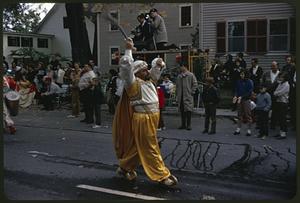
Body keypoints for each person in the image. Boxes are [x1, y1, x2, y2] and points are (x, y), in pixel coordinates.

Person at [112, 38, 178, 186]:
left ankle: (124, 167)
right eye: (143, 70)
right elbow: (126, 67)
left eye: (146, 68)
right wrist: (128, 49)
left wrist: (159, 64)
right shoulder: (132, 83)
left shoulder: (150, 81)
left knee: (137, 147)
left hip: (153, 118)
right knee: (150, 146)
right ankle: (162, 176)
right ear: (136, 73)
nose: (146, 71)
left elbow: (155, 70)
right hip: (142, 119)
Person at [176, 61, 198, 130]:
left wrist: (192, 92)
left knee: (188, 111)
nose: (180, 68)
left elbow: (195, 84)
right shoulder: (179, 76)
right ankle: (183, 124)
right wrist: (177, 94)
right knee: (182, 111)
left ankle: (188, 125)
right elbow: (177, 86)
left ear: (185, 67)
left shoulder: (191, 75)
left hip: (188, 95)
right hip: (181, 96)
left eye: (181, 67)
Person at [233, 71, 254, 136]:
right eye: (241, 74)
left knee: (248, 115)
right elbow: (236, 89)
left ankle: (249, 130)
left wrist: (242, 97)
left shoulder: (250, 82)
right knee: (239, 114)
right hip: (239, 99)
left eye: (242, 74)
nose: (241, 75)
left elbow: (249, 92)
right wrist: (235, 96)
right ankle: (238, 129)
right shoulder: (239, 81)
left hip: (246, 100)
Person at [262, 61, 280, 129]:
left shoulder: (280, 74)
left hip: (276, 95)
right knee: (266, 109)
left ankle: (273, 124)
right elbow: (262, 83)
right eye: (271, 66)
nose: (272, 67)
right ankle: (263, 124)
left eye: (274, 66)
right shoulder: (266, 74)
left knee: (275, 111)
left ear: (277, 66)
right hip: (267, 94)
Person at [273, 72, 290, 139]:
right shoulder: (280, 84)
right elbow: (275, 91)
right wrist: (276, 93)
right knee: (279, 118)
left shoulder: (286, 85)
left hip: (283, 103)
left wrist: (276, 93)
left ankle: (283, 134)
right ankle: (280, 132)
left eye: (282, 77)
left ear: (285, 78)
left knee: (283, 118)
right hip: (279, 102)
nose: (280, 78)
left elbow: (280, 93)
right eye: (280, 77)